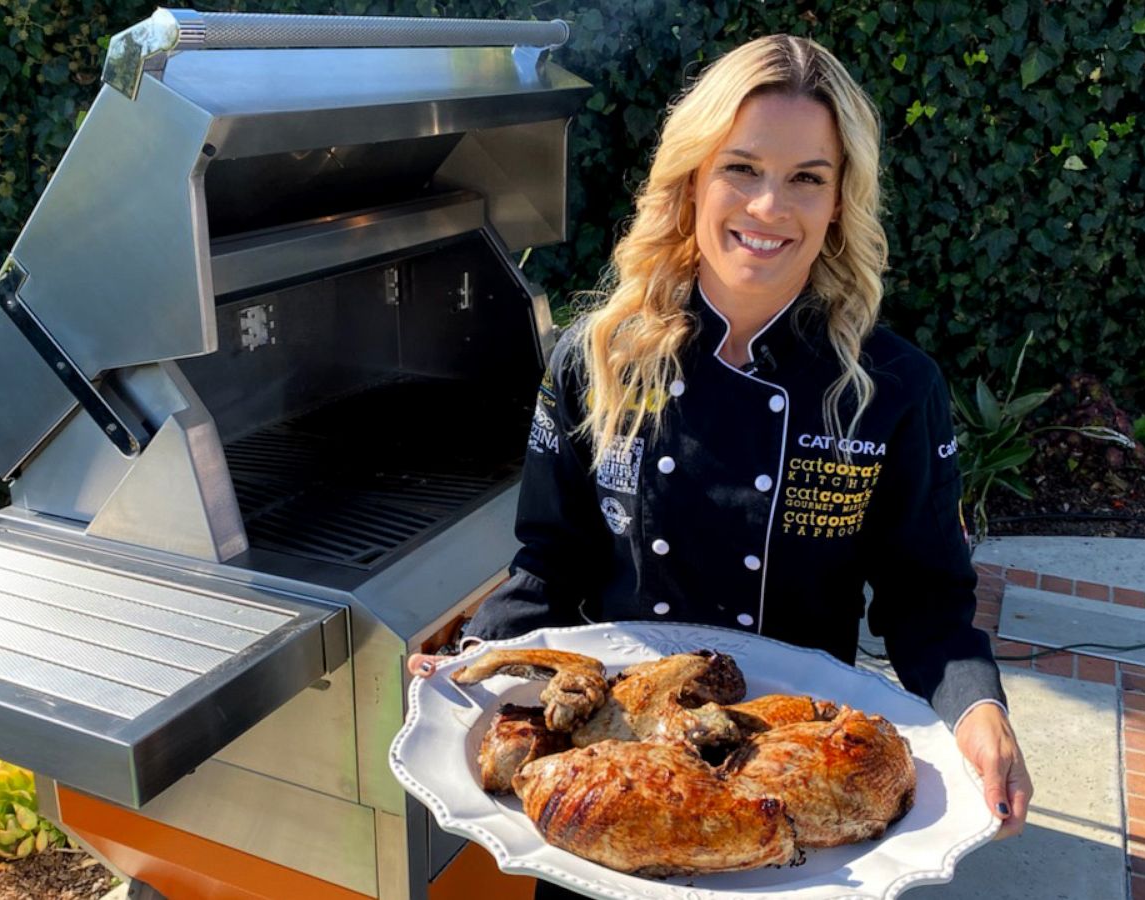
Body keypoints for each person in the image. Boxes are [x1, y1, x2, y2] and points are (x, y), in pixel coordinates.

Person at [409, 33, 1033, 893]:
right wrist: (476, 660)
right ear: (692, 178)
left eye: (808, 177)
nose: (770, 206)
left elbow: (927, 597)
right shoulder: (597, 358)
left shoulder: (892, 388)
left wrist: (978, 710)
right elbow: (550, 561)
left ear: (841, 200)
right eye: (742, 167)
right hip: (614, 767)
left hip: (793, 776)